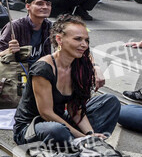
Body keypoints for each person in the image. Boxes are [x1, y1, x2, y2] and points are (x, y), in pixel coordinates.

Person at [13, 15, 120, 146]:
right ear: (59, 39)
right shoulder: (43, 69)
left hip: (61, 121)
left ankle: (84, 142)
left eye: (86, 40)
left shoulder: (78, 66)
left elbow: (75, 110)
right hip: (33, 127)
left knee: (110, 102)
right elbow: (46, 113)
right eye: (78, 39)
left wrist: (90, 134)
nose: (84, 45)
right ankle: (79, 143)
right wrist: (82, 137)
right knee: (57, 130)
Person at [0, 0, 52, 64]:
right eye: (39, 4)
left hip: (40, 69)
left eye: (48, 4)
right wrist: (8, 51)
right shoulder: (15, 26)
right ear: (28, 6)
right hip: (19, 69)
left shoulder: (49, 26)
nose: (45, 7)